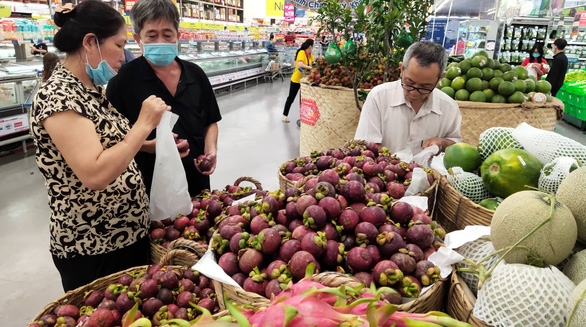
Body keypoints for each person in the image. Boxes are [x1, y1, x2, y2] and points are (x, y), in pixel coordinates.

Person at [29, 1, 170, 292]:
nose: (124, 55)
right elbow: (94, 173)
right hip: (93, 246)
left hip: (125, 236)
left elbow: (104, 142)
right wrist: (143, 124)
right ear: (91, 42)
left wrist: (147, 146)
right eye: (119, 46)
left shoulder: (90, 89)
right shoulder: (58, 96)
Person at [107, 0, 221, 197]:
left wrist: (210, 151)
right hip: (149, 185)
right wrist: (152, 146)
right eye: (152, 36)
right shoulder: (122, 82)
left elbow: (210, 122)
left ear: (177, 34)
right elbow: (112, 140)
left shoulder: (196, 74)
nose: (161, 41)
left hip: (196, 179)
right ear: (137, 38)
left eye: (167, 35)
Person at [354, 41, 462, 154]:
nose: (414, 93)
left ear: (440, 78)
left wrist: (443, 143)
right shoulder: (379, 97)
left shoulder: (449, 107)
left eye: (425, 87)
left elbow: (456, 145)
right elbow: (366, 145)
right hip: (384, 170)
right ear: (401, 69)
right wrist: (398, 167)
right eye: (409, 83)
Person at [282, 39, 314, 123]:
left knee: (304, 99)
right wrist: (310, 68)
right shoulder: (301, 53)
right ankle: (284, 115)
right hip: (296, 79)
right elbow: (300, 64)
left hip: (306, 80)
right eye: (312, 46)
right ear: (310, 46)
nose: (313, 48)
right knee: (291, 98)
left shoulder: (310, 55)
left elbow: (313, 63)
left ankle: (303, 117)